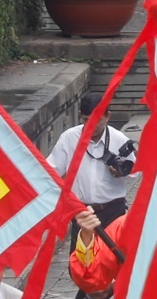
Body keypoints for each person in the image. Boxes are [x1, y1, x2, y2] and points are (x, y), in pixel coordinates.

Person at [47, 97, 137, 227]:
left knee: (114, 247)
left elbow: (135, 170)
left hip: (113, 210)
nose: (91, 125)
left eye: (97, 120)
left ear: (108, 116)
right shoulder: (69, 138)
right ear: (80, 116)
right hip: (82, 213)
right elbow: (51, 171)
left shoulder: (118, 138)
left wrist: (121, 173)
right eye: (86, 120)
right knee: (81, 247)